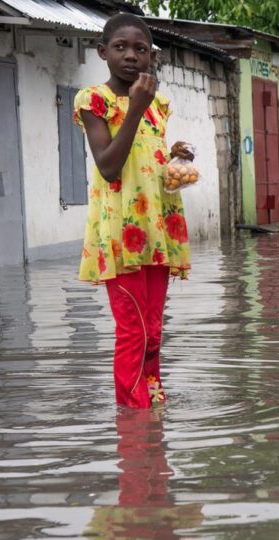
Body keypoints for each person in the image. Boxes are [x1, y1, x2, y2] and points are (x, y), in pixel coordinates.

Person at [74, 13, 193, 408]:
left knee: (154, 330)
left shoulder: (159, 104)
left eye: (140, 49)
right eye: (120, 48)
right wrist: (136, 108)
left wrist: (176, 157)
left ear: (151, 57)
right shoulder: (94, 100)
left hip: (157, 230)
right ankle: (133, 416)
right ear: (102, 52)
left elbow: (149, 161)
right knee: (133, 329)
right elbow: (109, 166)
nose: (130, 56)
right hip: (120, 234)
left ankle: (153, 405)